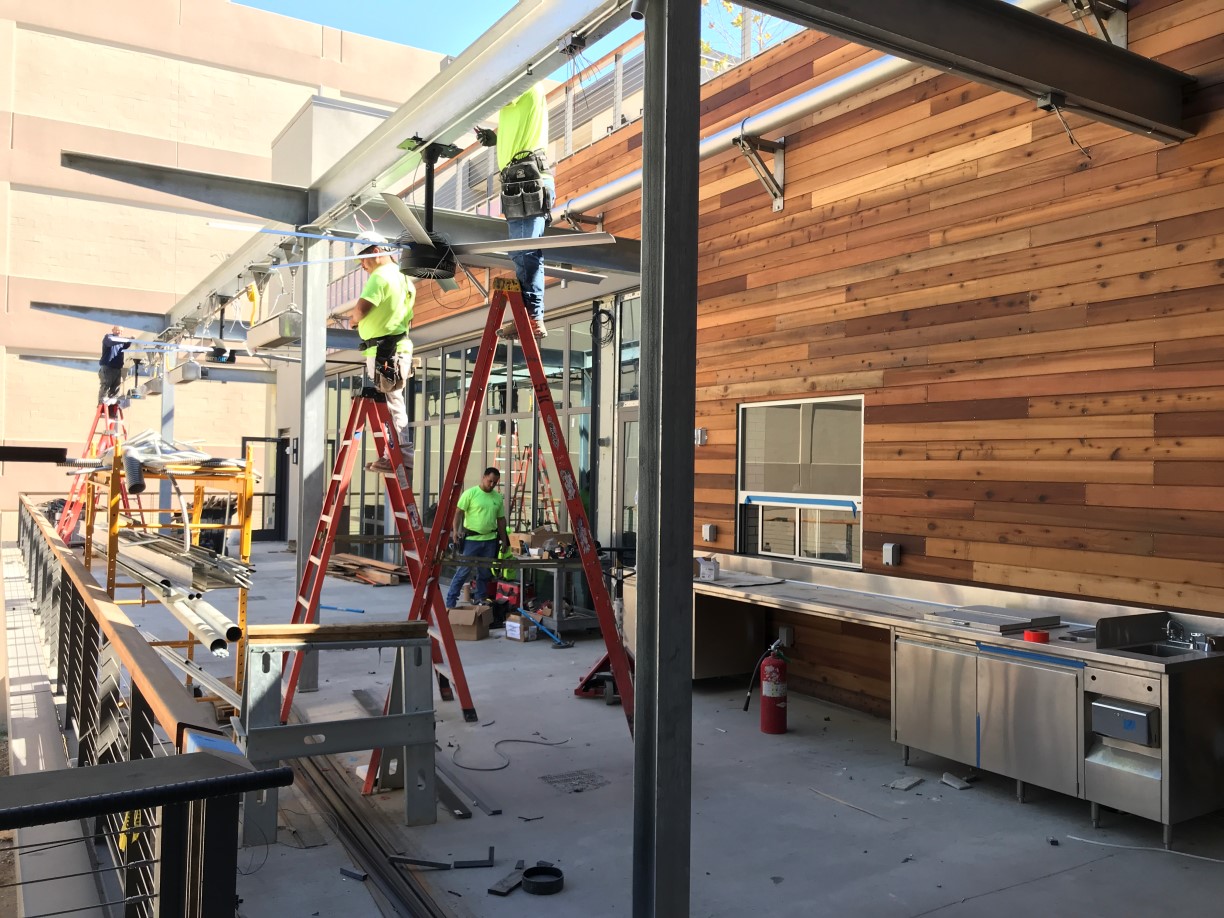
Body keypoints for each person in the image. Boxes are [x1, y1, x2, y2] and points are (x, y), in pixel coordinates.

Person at [475, 83, 553, 339]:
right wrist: (497, 139)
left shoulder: (524, 83)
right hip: (519, 180)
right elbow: (520, 131)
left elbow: (494, 93)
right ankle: (529, 317)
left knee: (524, 251)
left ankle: (532, 317)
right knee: (522, 251)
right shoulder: (519, 98)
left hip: (526, 180)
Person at [350, 236, 416, 471]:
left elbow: (361, 309)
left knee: (393, 403)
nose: (362, 266)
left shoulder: (380, 276)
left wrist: (353, 320)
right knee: (392, 402)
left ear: (376, 251)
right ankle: (395, 455)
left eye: (363, 260)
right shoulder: (404, 277)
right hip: (394, 348)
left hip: (385, 352)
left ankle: (400, 458)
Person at [445, 467, 511, 608]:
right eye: (490, 481)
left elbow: (501, 520)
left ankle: (480, 599)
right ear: (484, 477)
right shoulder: (470, 493)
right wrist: (455, 531)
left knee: (485, 573)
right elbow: (458, 512)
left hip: (490, 541)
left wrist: (504, 540)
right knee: (463, 571)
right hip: (471, 540)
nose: (492, 485)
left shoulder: (497, 497)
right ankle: (450, 602)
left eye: (495, 482)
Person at [98, 325, 132, 406]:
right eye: (117, 330)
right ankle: (101, 403)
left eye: (121, 331)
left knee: (116, 387)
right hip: (107, 366)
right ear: (113, 330)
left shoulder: (121, 341)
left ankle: (112, 406)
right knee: (106, 385)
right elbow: (110, 343)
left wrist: (130, 340)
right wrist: (126, 339)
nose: (119, 332)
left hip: (117, 368)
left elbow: (126, 345)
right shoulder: (108, 337)